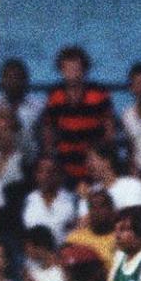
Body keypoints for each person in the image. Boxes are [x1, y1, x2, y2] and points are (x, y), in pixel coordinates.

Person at [41, 46, 115, 187]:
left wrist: (101, 158)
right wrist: (51, 156)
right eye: (67, 69)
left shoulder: (98, 94)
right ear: (61, 70)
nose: (72, 73)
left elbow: (109, 129)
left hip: (94, 166)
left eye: (76, 68)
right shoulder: (55, 95)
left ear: (84, 69)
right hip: (65, 164)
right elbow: (48, 128)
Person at [0, 58, 45, 158]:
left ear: (25, 80)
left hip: (28, 158)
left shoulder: (38, 107)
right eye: (8, 77)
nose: (12, 82)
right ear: (2, 81)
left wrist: (16, 123)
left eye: (17, 77)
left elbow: (40, 140)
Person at [21, 155, 77, 246]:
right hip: (35, 255)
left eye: (52, 171)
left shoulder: (73, 200)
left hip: (65, 254)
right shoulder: (27, 201)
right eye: (41, 171)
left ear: (61, 175)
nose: (46, 176)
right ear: (36, 175)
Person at [64, 189, 117, 273]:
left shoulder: (120, 238)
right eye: (93, 207)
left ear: (111, 210)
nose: (97, 211)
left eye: (101, 206)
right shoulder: (75, 238)